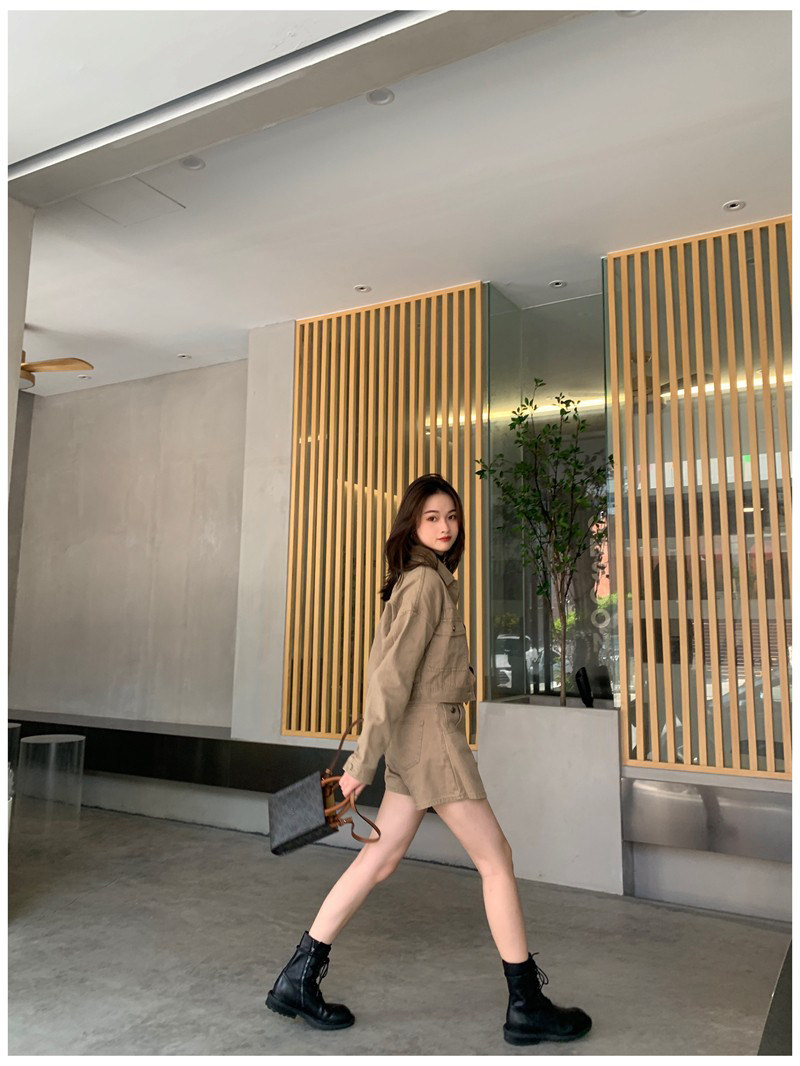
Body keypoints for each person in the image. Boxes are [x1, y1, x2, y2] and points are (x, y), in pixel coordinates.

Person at [266, 474, 592, 1047]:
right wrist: (360, 766)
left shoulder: (427, 581)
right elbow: (389, 681)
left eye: (452, 517)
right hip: (431, 737)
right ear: (412, 525)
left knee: (380, 859)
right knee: (496, 858)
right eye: (432, 518)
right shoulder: (423, 585)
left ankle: (297, 979)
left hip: (416, 739)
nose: (445, 527)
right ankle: (526, 1006)